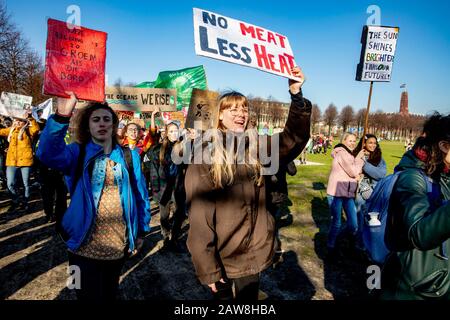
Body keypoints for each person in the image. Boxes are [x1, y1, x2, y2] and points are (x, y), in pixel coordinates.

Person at [185, 66, 311, 300]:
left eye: (244, 108)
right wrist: (208, 267)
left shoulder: (257, 146)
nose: (241, 113)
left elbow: (292, 139)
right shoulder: (204, 153)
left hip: (252, 253)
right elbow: (199, 216)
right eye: (232, 109)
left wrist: (296, 94)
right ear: (219, 116)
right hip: (222, 255)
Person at [36, 92, 151, 300]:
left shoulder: (129, 155)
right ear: (87, 126)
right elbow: (46, 153)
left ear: (114, 125)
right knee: (82, 294)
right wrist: (62, 116)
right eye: (95, 119)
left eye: (107, 119)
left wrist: (141, 230)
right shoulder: (76, 152)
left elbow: (140, 195)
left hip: (117, 247)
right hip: (80, 247)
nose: (101, 123)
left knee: (109, 294)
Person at [381, 113, 450, 300]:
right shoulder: (412, 178)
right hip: (414, 286)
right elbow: (418, 232)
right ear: (444, 146)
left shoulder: (445, 176)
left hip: (441, 283)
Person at [145, 121, 187, 251]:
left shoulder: (184, 148)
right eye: (172, 131)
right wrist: (155, 185)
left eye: (176, 131)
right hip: (164, 186)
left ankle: (174, 237)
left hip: (178, 186)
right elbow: (150, 166)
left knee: (179, 213)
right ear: (166, 134)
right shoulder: (158, 149)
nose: (174, 134)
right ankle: (165, 236)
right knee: (164, 214)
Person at [326, 132, 365, 260]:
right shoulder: (342, 153)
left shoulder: (349, 154)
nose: (353, 143)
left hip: (348, 194)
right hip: (336, 193)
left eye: (354, 141)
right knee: (337, 223)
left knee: (353, 225)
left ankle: (336, 240)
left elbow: (354, 172)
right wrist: (359, 159)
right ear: (343, 141)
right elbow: (353, 171)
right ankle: (331, 247)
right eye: (350, 140)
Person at [353, 134, 387, 253]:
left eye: (374, 143)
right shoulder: (358, 156)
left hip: (376, 192)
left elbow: (381, 174)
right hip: (361, 192)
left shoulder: (379, 157)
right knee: (360, 219)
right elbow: (354, 173)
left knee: (374, 219)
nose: (373, 145)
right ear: (364, 144)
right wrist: (360, 160)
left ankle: (372, 243)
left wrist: (365, 165)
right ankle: (359, 244)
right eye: (370, 143)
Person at [0, 112, 39, 212]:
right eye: (16, 120)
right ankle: (16, 201)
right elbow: (1, 131)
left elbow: (36, 129)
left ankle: (25, 203)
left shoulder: (28, 131)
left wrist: (30, 117)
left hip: (25, 162)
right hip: (11, 162)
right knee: (10, 184)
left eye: (19, 121)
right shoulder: (11, 130)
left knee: (25, 184)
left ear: (24, 122)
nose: (17, 122)